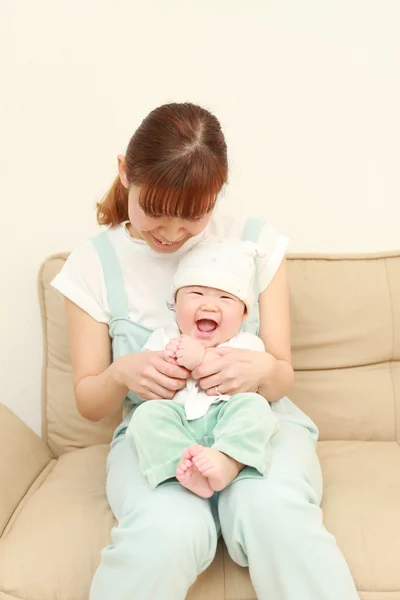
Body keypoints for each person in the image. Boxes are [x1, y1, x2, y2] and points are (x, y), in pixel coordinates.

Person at [52, 102, 358, 599]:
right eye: (155, 213)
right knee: (167, 531)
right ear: (125, 173)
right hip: (160, 431)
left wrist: (262, 368)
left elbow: (282, 377)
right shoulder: (93, 264)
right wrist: (120, 374)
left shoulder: (255, 244)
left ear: (217, 195)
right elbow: (89, 402)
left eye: (193, 217)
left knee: (272, 511)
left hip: (255, 418)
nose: (171, 235)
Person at [127, 239, 280, 498]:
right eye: (196, 294)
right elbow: (149, 384)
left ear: (244, 315)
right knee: (144, 417)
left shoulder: (247, 343)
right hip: (178, 418)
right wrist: (170, 364)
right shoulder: (162, 338)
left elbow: (254, 387)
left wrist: (199, 360)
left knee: (257, 410)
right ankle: (183, 465)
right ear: (175, 305)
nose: (209, 305)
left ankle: (228, 460)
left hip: (227, 415)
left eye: (225, 298)